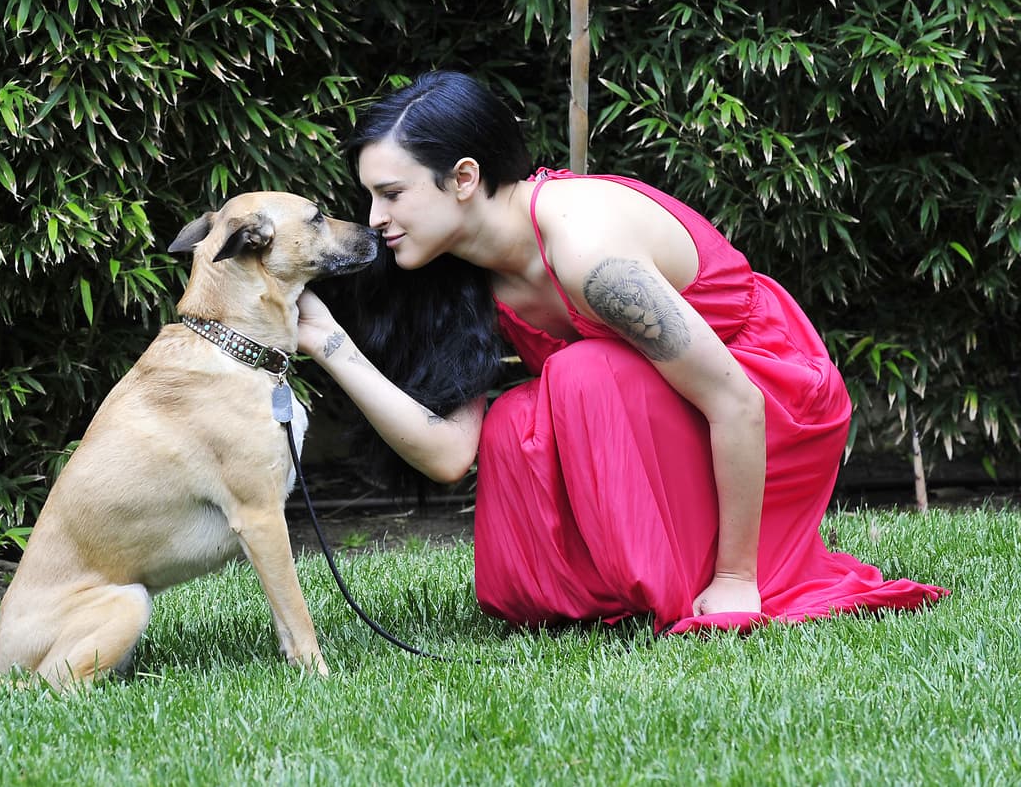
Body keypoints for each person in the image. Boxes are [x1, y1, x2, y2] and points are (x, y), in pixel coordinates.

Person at [296, 70, 945, 633]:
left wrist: (737, 579)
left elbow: (737, 401)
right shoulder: (458, 273)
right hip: (667, 408)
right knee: (518, 417)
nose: (374, 218)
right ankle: (623, 584)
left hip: (767, 394)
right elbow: (449, 453)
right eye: (370, 196)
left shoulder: (588, 252)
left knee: (579, 372)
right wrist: (327, 341)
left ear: (464, 177)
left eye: (391, 193)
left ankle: (693, 573)